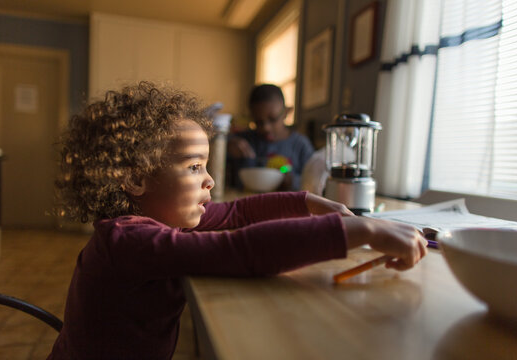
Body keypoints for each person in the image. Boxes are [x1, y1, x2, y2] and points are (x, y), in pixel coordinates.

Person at [48, 81, 427, 360]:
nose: (210, 179)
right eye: (195, 166)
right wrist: (362, 229)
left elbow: (238, 212)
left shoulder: (155, 221)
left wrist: (308, 201)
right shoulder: (127, 241)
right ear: (135, 179)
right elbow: (239, 249)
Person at [228, 84, 314, 191]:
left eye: (273, 119)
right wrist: (228, 144)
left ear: (287, 112)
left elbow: (314, 181)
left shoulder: (301, 145)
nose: (266, 128)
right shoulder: (244, 140)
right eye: (258, 122)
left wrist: (292, 181)